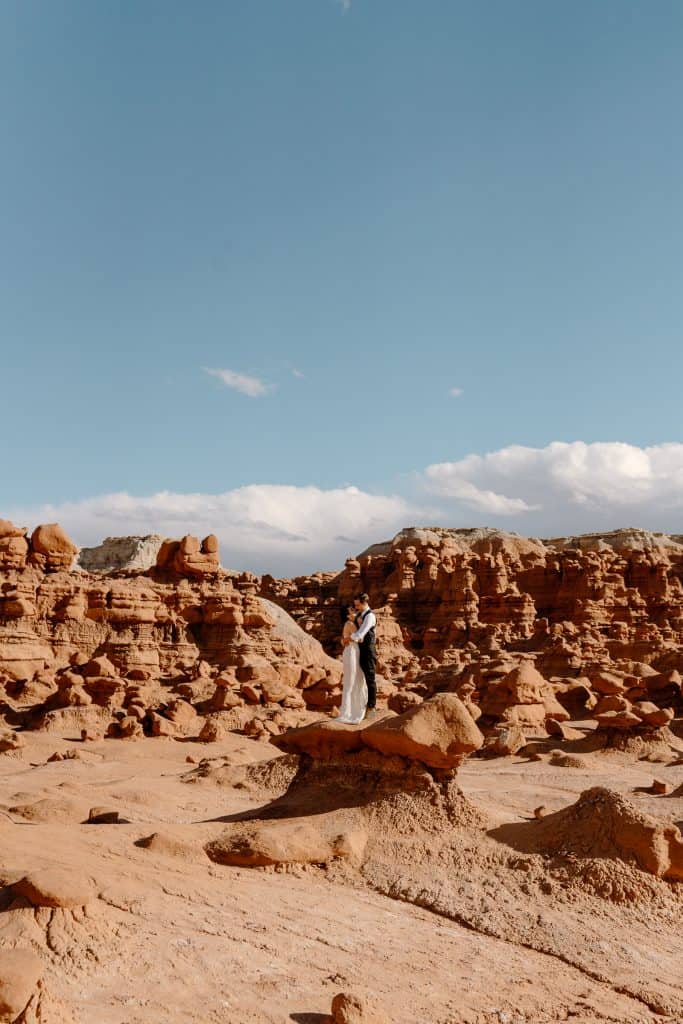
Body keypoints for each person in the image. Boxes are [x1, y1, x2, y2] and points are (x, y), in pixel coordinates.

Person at [337, 605, 368, 724]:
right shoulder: (350, 624)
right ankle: (348, 713)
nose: (356, 612)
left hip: (353, 651)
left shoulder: (352, 623)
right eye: (353, 611)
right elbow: (359, 639)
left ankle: (352, 711)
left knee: (356, 680)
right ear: (348, 615)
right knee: (352, 680)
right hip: (352, 651)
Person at [350, 592, 377, 716]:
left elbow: (361, 633)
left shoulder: (370, 616)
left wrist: (347, 638)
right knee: (360, 677)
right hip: (360, 649)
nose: (356, 607)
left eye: (357, 605)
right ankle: (361, 704)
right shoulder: (360, 614)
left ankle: (371, 707)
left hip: (368, 650)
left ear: (364, 603)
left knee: (370, 678)